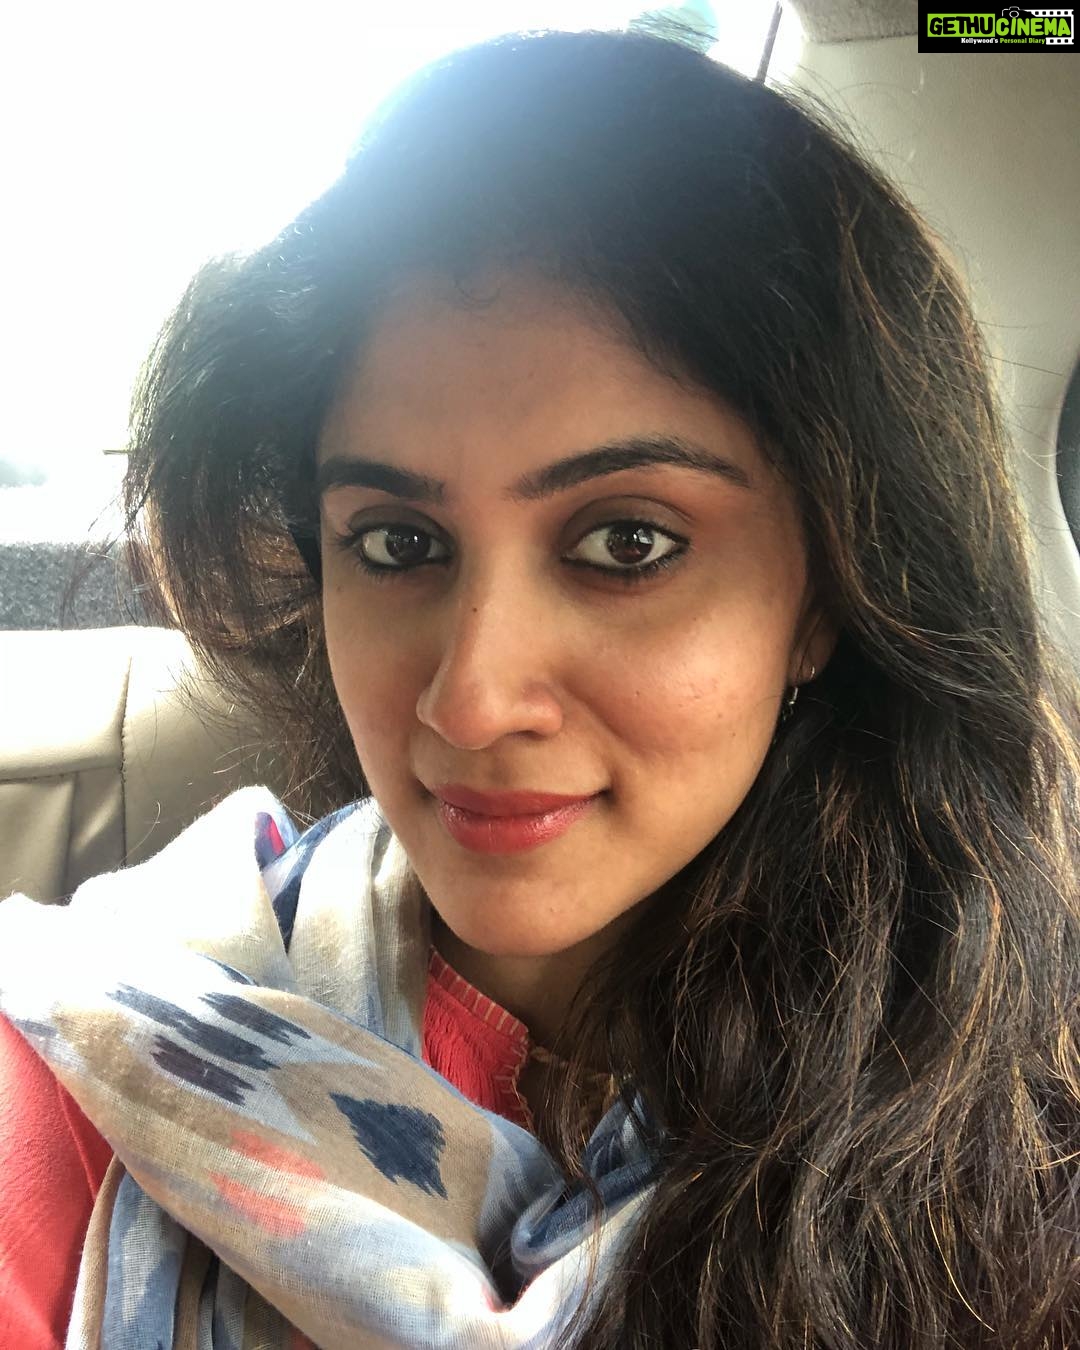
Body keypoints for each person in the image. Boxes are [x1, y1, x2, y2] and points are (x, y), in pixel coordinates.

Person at [1, 25, 1078, 1350]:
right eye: (397, 543)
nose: (469, 702)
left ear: (824, 598)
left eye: (627, 542)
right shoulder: (109, 1053)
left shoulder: (1019, 1106)